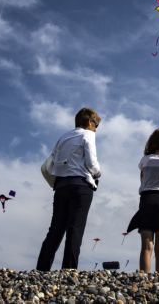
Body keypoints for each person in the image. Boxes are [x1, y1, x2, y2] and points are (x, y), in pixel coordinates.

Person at [36, 107, 102, 271]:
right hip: (81, 185)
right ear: (89, 122)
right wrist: (98, 173)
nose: (96, 128)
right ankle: (69, 271)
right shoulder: (88, 135)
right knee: (75, 229)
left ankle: (42, 269)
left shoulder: (63, 137)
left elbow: (53, 160)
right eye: (96, 125)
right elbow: (92, 163)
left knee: (55, 229)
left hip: (61, 186)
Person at [126, 128, 159, 274]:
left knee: (146, 245)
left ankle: (144, 277)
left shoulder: (145, 160)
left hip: (146, 199)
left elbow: (142, 179)